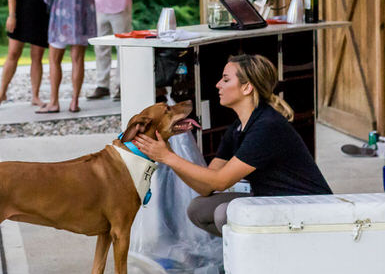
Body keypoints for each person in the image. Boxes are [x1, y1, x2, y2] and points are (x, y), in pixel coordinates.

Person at [132, 54, 331, 237]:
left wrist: (167, 157)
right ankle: (247, 256)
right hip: (272, 200)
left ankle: (257, 262)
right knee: (199, 208)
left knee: (223, 214)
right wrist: (169, 156)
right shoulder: (237, 128)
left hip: (307, 208)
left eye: (226, 80)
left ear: (247, 87)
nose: (218, 84)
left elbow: (220, 181)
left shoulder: (267, 127)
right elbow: (206, 187)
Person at [38, 0, 98, 114]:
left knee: (55, 60)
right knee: (78, 60)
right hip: (83, 18)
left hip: (61, 18)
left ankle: (54, 102)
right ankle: (74, 102)